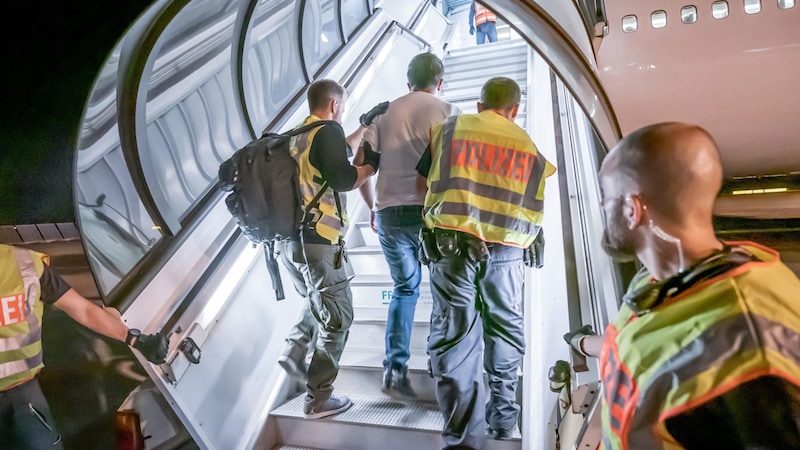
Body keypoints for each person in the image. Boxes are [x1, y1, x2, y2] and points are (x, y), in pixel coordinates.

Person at [564, 122, 800, 449]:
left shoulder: (754, 356)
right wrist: (583, 343)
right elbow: (658, 349)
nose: (602, 207)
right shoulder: (659, 280)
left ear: (633, 210)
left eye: (606, 197)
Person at [416, 76, 555, 449]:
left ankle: (461, 436)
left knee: (456, 339)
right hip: (508, 254)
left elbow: (422, 184)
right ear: (516, 110)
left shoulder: (451, 129)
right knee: (505, 330)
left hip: (453, 248)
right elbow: (531, 208)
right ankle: (503, 420)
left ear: (479, 106)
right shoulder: (529, 148)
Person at [276, 79, 384, 419]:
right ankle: (318, 398)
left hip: (290, 244)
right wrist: (371, 167)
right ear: (335, 105)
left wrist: (362, 127)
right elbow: (343, 178)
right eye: (344, 107)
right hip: (319, 242)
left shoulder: (297, 135)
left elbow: (335, 155)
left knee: (316, 299)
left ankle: (294, 350)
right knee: (338, 319)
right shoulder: (328, 133)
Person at [356, 52, 461, 401]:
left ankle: (394, 368)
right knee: (444, 289)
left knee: (404, 288)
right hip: (430, 214)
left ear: (408, 83)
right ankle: (438, 360)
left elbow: (362, 168)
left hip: (389, 213)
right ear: (440, 82)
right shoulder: (449, 111)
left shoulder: (382, 112)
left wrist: (373, 208)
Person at [0, 243, 167, 449]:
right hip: (25, 400)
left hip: (23, 400)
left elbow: (83, 310)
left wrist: (135, 339)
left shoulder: (24, 264)